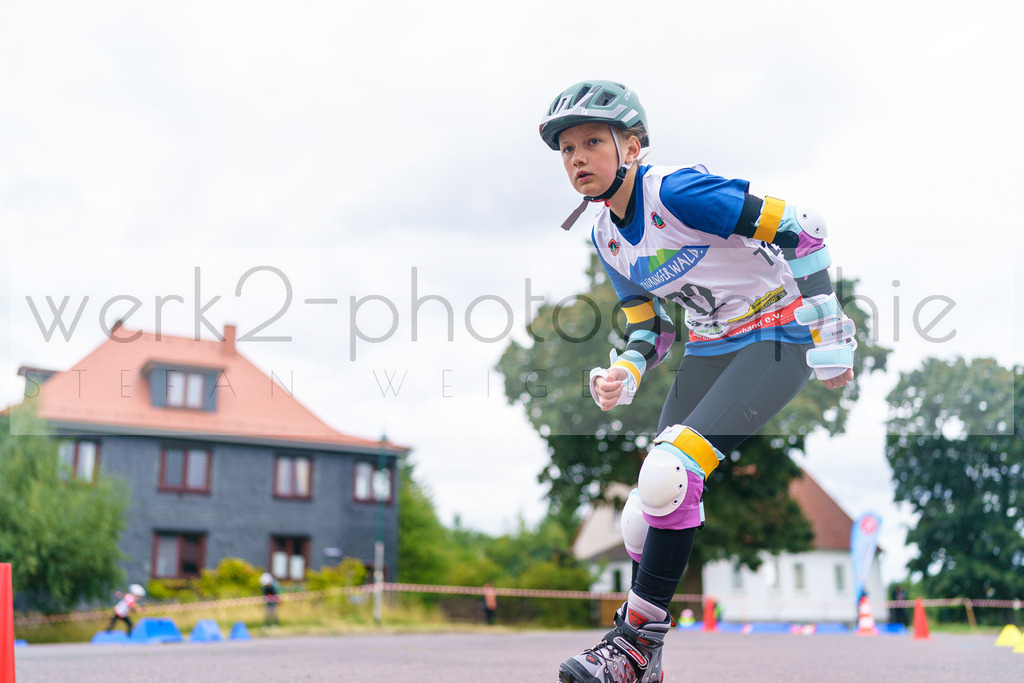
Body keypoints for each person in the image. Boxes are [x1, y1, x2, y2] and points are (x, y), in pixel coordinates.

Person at [539, 81, 856, 683]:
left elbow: (805, 227)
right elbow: (652, 328)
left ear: (632, 147)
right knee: (642, 511)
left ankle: (634, 647)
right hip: (711, 344)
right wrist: (625, 371)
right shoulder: (606, 237)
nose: (577, 158)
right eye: (567, 149)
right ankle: (644, 659)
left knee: (671, 473)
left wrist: (830, 327)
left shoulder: (677, 193)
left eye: (592, 142)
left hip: (779, 332)